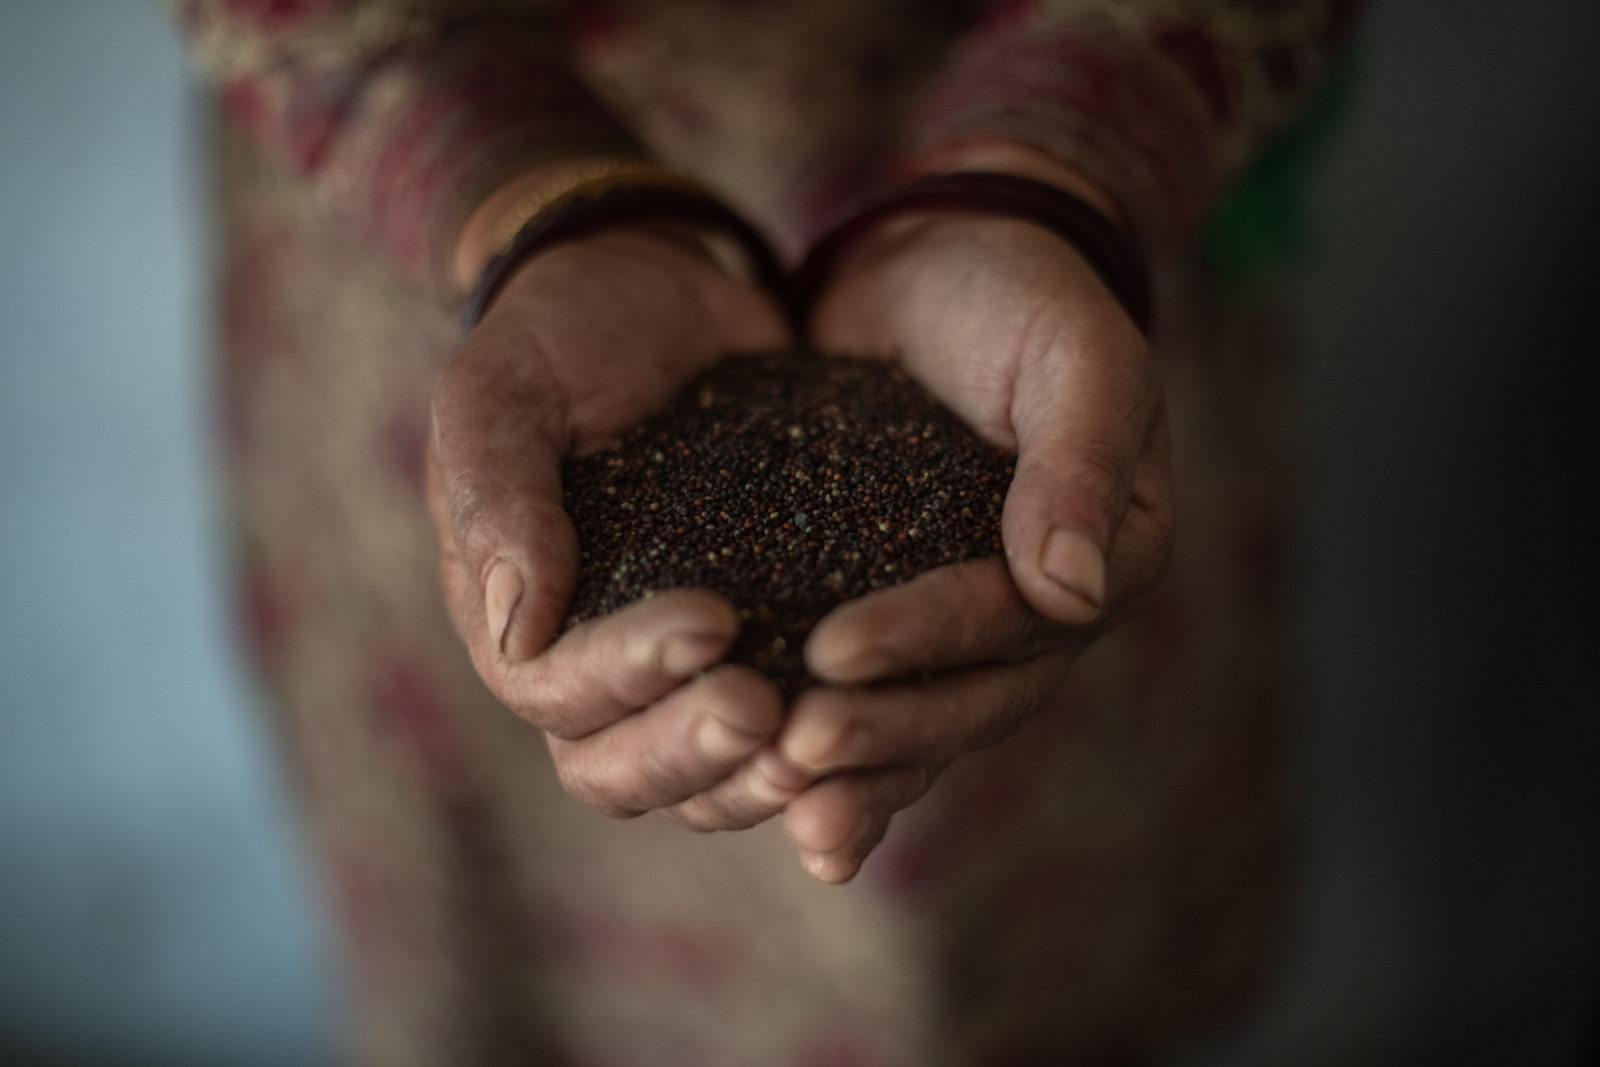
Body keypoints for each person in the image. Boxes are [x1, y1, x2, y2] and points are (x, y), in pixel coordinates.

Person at [174, 0, 1357, 1062]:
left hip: (1055, 266)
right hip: (468, 264)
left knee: (1009, 901)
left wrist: (1052, 163)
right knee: (504, 877)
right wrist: (516, 196)